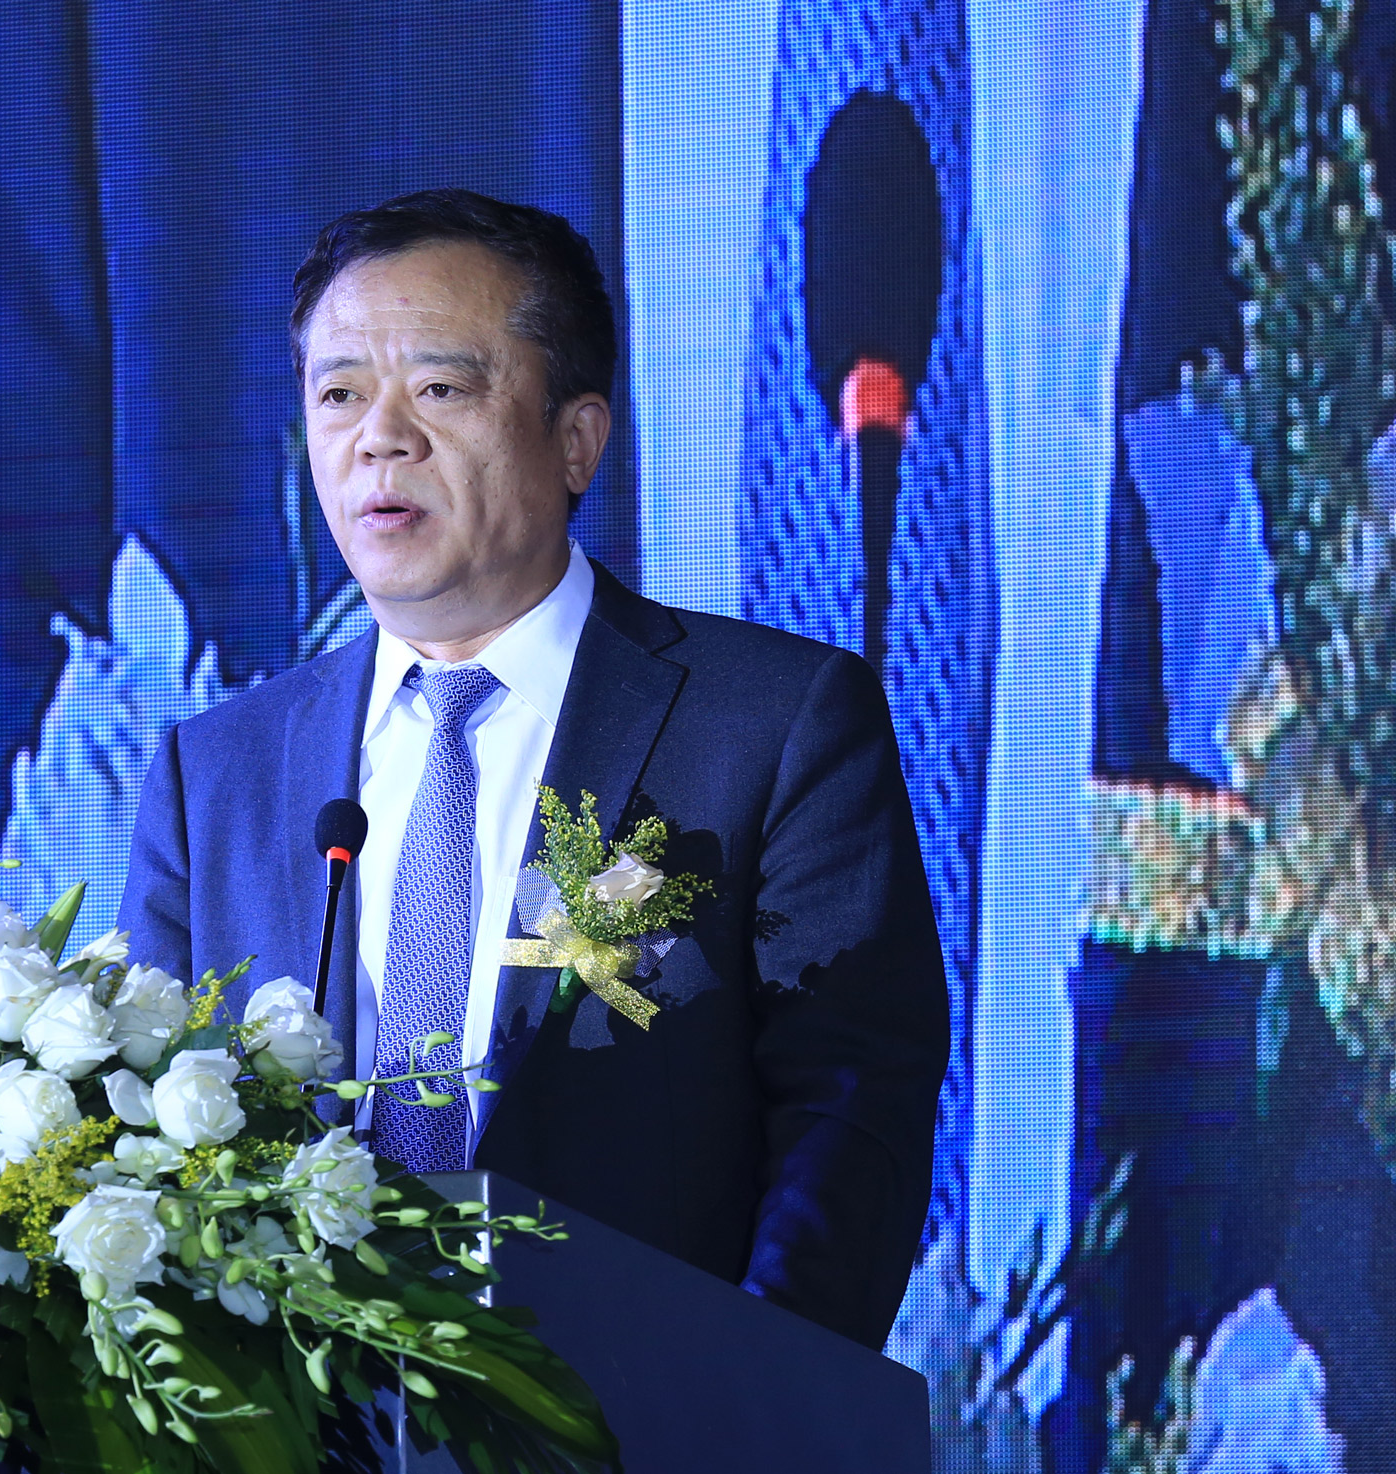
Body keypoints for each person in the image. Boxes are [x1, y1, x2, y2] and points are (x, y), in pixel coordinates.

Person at [118, 188, 949, 1351]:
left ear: (577, 440)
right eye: (339, 393)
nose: (379, 437)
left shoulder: (772, 723)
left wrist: (745, 1401)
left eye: (441, 389)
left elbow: (848, 1114)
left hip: (653, 1410)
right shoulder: (216, 774)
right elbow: (149, 1132)